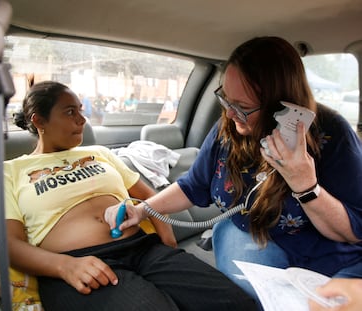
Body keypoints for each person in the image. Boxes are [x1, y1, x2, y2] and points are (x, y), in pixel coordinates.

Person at [105, 36, 362, 308]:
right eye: (226, 99)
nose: (230, 114)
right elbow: (193, 186)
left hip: (332, 255)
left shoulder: (333, 134)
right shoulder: (226, 131)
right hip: (252, 236)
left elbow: (352, 231)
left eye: (243, 107)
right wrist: (143, 209)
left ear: (281, 105)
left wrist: (305, 186)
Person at [0, 81, 257, 311]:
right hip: (78, 266)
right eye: (70, 112)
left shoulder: (99, 154)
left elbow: (150, 200)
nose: (83, 119)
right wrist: (65, 266)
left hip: (145, 249)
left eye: (81, 110)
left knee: (238, 303)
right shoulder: (7, 173)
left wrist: (168, 246)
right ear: (39, 120)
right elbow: (10, 245)